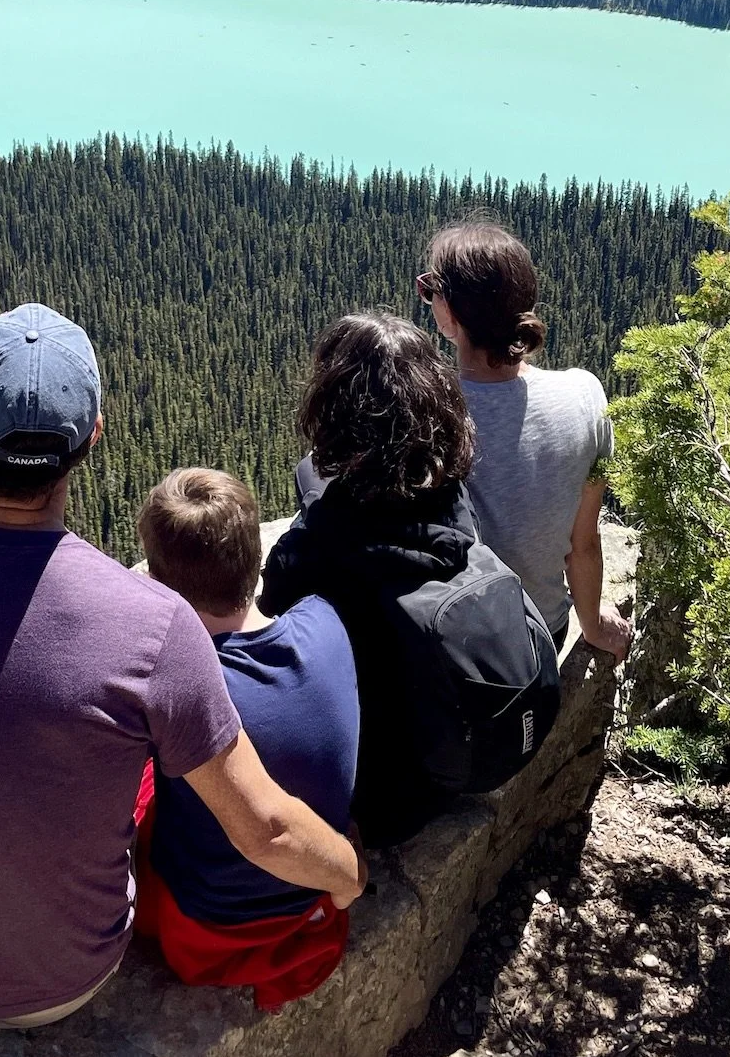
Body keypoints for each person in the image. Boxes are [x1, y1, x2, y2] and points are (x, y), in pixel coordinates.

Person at [0, 302, 364, 1027]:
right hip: (67, 980)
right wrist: (350, 874)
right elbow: (265, 828)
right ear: (91, 438)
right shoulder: (155, 623)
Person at [134, 467, 360, 1012]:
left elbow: (267, 830)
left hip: (209, 925)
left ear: (163, 585)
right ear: (255, 560)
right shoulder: (324, 623)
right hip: (314, 893)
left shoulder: (182, 692)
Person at [261, 311, 482, 845]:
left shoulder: (315, 549)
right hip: (444, 767)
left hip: (375, 798)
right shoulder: (455, 505)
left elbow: (272, 605)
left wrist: (317, 509)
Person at [418, 222, 631, 659]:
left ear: (449, 314)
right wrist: (591, 625)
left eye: (430, 289)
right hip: (541, 638)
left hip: (454, 648)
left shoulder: (428, 410)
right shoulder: (586, 395)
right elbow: (584, 542)